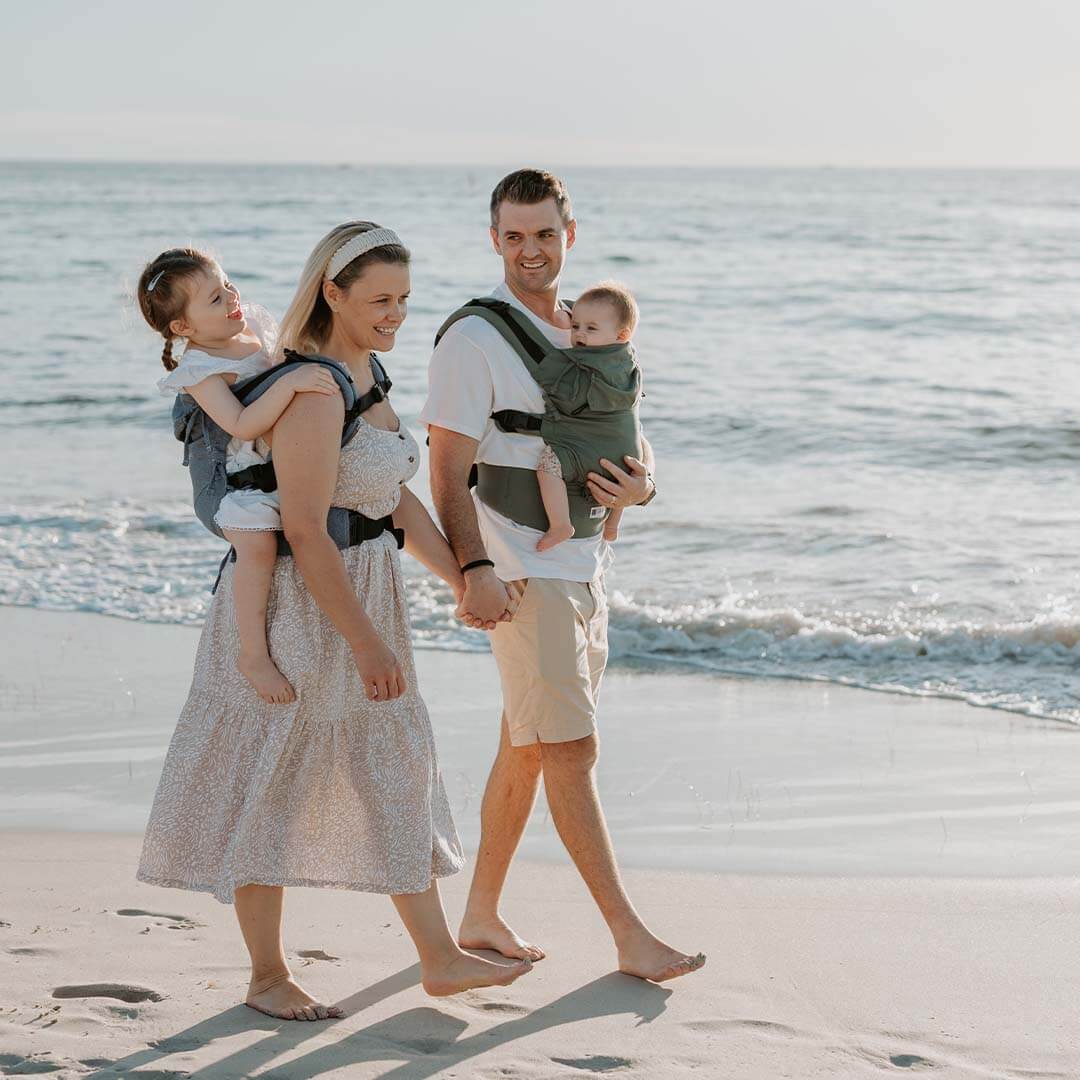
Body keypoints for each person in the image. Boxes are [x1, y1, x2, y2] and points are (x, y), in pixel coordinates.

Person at [137, 222, 533, 1022]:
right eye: (381, 300)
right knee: (268, 779)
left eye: (405, 300)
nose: (397, 314)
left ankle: (440, 959)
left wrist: (466, 577)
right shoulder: (314, 387)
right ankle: (266, 977)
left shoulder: (365, 369)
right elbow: (310, 531)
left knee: (390, 768)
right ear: (333, 293)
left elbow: (392, 499)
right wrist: (365, 640)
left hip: (363, 589)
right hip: (301, 608)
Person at [422, 170, 705, 982]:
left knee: (530, 747)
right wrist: (471, 568)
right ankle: (629, 936)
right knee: (571, 747)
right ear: (494, 241)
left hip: (585, 567)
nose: (530, 250)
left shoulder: (591, 329)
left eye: (544, 234)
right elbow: (447, 472)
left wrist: (645, 487)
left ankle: (479, 915)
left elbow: (629, 433)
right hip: (521, 573)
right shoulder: (472, 339)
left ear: (568, 235)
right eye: (514, 236)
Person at [139, 248, 339, 704]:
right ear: (183, 328)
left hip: (269, 467)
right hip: (228, 485)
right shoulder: (199, 371)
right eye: (214, 299)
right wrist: (290, 383)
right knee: (258, 544)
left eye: (227, 284)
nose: (230, 297)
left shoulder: (253, 326)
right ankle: (253, 655)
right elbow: (242, 425)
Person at [534, 281, 641, 551]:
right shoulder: (629, 362)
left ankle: (560, 524)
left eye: (591, 329)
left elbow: (561, 387)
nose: (579, 334)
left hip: (591, 450)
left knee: (548, 464)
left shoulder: (589, 360)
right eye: (575, 326)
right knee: (622, 480)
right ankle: (613, 524)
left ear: (621, 335)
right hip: (629, 452)